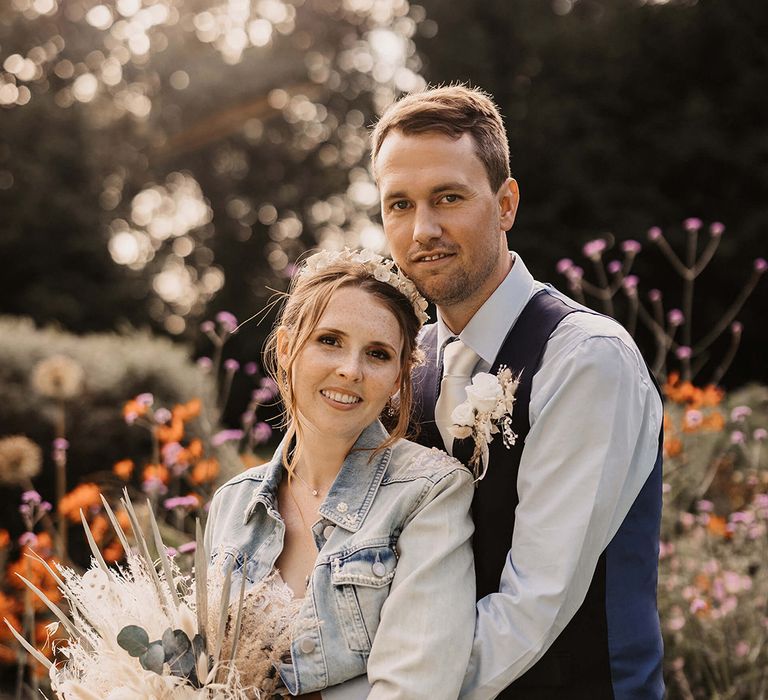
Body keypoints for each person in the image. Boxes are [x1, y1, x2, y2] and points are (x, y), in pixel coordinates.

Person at [329, 85, 665, 699]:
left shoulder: (586, 360)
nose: (422, 229)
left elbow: (535, 600)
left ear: (506, 203)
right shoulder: (407, 362)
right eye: (398, 204)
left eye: (448, 198)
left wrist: (371, 692)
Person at [204, 249, 476, 698]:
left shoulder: (429, 492)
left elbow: (417, 685)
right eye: (329, 340)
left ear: (398, 377)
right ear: (288, 348)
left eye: (377, 354)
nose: (351, 370)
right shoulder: (234, 502)